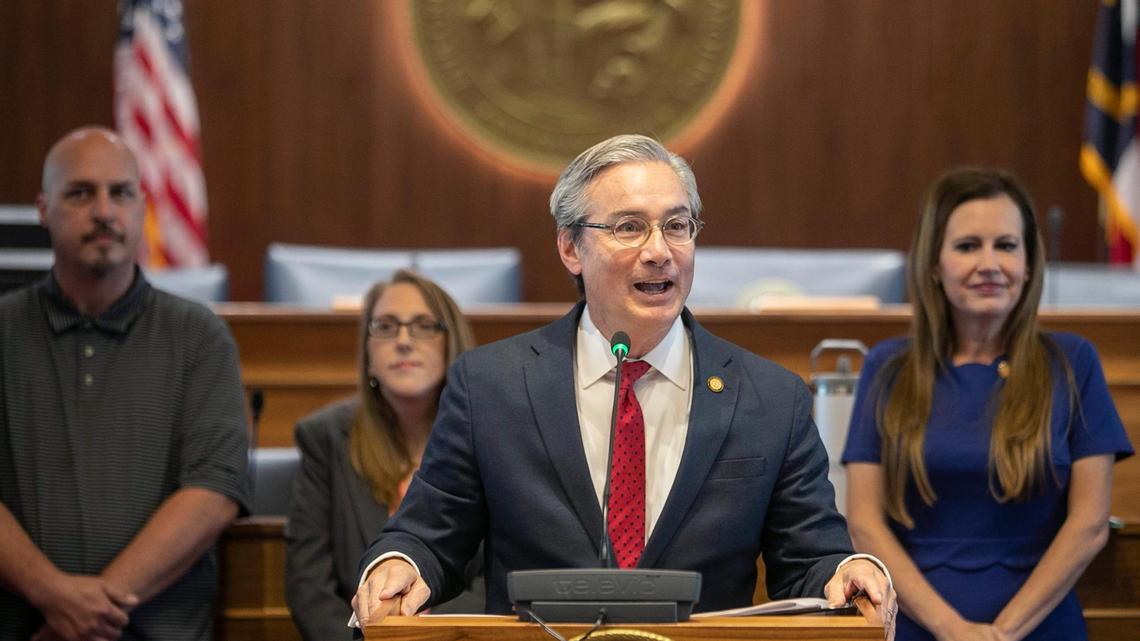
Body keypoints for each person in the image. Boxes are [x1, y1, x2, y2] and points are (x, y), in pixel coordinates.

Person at [351, 134, 896, 627]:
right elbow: (430, 534)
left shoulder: (771, 399)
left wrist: (847, 569)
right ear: (571, 249)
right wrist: (401, 562)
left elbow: (810, 557)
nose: (659, 250)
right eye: (629, 227)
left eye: (677, 226)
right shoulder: (491, 385)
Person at [842, 168, 1134, 641]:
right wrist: (953, 630)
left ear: (1029, 262)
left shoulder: (1073, 362)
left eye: (1006, 245)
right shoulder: (888, 366)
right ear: (934, 263)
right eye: (967, 246)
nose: (990, 263)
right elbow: (865, 523)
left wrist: (1003, 632)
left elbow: (1090, 525)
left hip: (1041, 626)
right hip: (915, 626)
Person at [0, 126, 249, 641]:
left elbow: (214, 491)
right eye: (80, 193)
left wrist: (87, 614)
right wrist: (53, 597)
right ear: (43, 209)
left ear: (143, 207)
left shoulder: (200, 337)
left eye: (121, 193)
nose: (104, 211)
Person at [285, 269, 483, 640]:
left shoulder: (490, 433)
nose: (404, 341)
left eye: (423, 325)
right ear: (367, 353)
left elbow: (495, 577)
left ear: (450, 343)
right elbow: (309, 588)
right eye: (386, 327)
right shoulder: (325, 438)